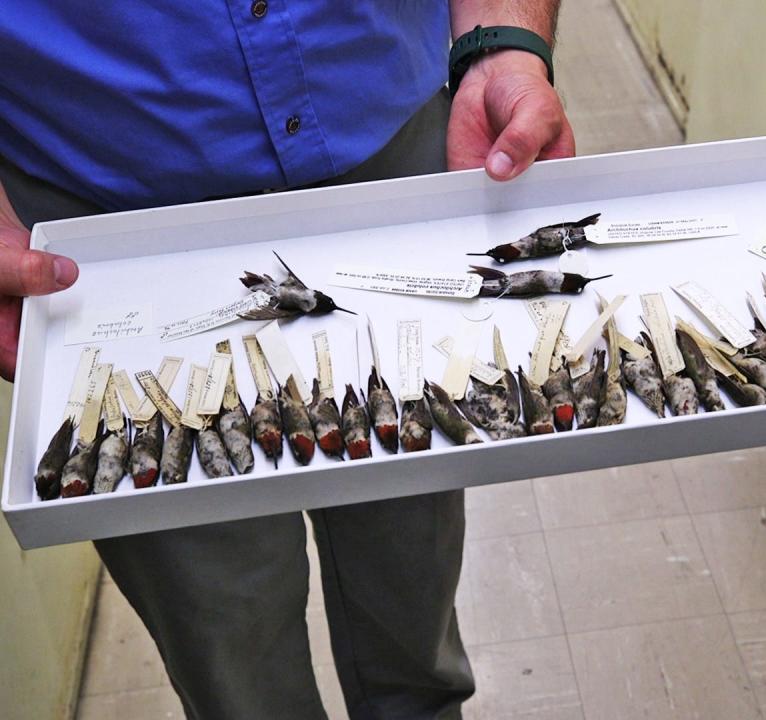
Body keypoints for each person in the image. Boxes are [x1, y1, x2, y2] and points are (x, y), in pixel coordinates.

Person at [0, 3, 574, 719]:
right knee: (229, 642)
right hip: (107, 219)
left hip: (391, 147)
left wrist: (504, 40)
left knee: (411, 574)